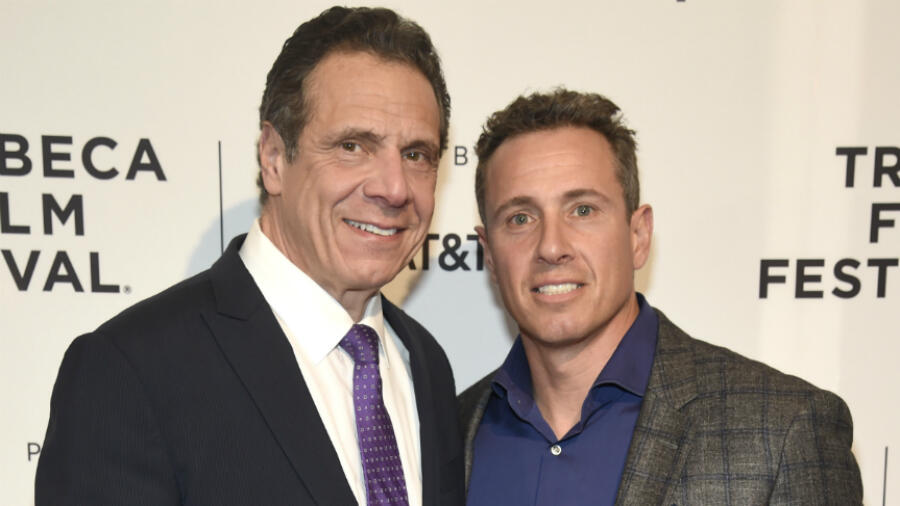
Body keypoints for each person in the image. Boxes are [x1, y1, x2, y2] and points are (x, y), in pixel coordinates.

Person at [36, 6, 463, 505]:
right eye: (352, 146)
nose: (394, 187)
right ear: (274, 158)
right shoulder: (131, 372)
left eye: (416, 155)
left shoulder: (425, 363)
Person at [459, 89, 862, 505]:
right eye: (520, 218)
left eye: (582, 210)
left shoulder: (784, 432)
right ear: (489, 253)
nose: (551, 246)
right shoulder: (447, 433)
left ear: (638, 235)